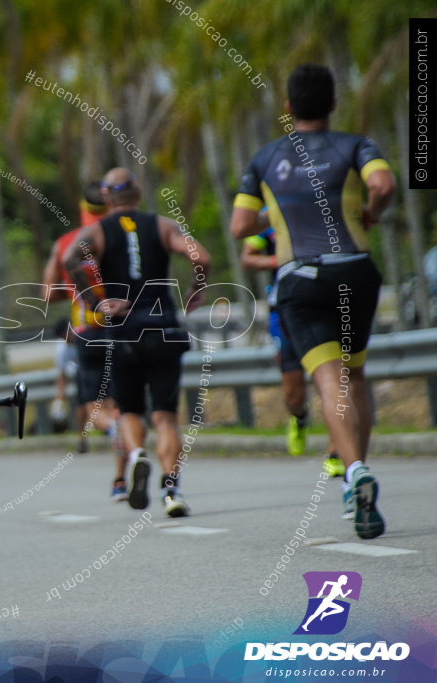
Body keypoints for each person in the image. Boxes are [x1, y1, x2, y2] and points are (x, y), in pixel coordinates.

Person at [230, 64, 396, 539]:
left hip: (301, 279)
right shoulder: (356, 145)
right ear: (334, 104)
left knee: (329, 382)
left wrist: (283, 204)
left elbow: (240, 227)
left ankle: (354, 472)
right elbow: (383, 185)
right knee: (355, 375)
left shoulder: (264, 159)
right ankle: (354, 475)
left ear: (287, 108)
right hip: (355, 270)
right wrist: (369, 213)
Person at [64, 168, 212, 517]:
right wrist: (197, 288)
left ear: (106, 197)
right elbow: (201, 257)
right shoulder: (161, 226)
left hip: (123, 330)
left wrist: (90, 300)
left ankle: (136, 456)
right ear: (138, 192)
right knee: (165, 417)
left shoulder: (97, 231)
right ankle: (172, 489)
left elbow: (70, 258)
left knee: (129, 411)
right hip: (163, 327)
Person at [42, 182, 127, 499]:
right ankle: (119, 479)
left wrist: (55, 258)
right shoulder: (122, 237)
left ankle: (114, 438)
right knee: (120, 406)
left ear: (82, 208)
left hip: (88, 332)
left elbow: (49, 295)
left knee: (95, 408)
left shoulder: (69, 243)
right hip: (126, 327)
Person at [241, 221, 344, 475]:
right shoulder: (268, 217)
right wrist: (281, 261)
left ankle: (336, 451)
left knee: (330, 381)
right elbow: (248, 257)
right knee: (293, 393)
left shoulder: (325, 204)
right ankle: (299, 417)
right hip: (284, 309)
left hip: (324, 302)